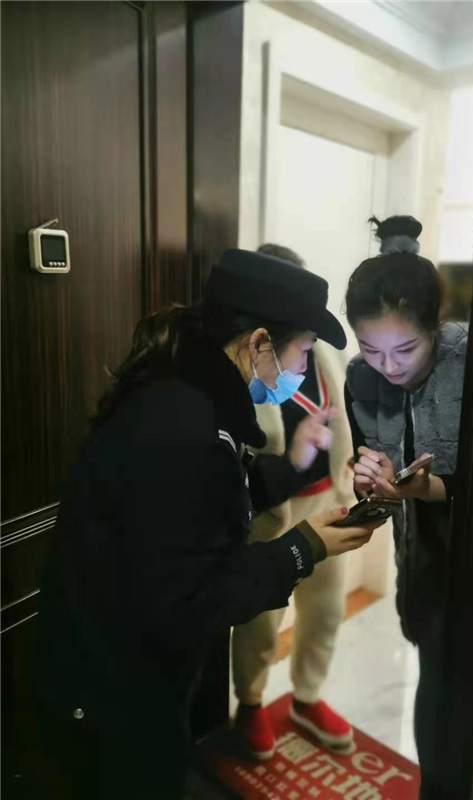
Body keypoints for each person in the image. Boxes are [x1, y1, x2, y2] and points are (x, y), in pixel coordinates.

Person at [33, 248, 384, 800]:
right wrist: (303, 546)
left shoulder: (187, 391)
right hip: (112, 694)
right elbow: (197, 594)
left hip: (121, 673)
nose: (301, 371)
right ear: (259, 343)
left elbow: (203, 508)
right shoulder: (184, 426)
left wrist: (289, 472)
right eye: (302, 351)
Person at [344, 216, 468, 799]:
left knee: (467, 696)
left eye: (406, 348)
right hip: (418, 556)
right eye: (370, 349)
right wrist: (369, 482)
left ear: (435, 328)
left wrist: (424, 490)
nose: (388, 367)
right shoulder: (361, 381)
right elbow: (370, 477)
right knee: (434, 685)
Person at [232, 244, 356, 759]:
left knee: (325, 609)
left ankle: (307, 696)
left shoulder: (324, 352)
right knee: (261, 618)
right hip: (273, 510)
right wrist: (294, 456)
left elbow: (348, 416)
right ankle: (251, 702)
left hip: (328, 497)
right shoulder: (245, 368)